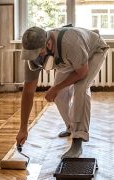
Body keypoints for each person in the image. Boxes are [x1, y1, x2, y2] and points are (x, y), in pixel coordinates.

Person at [16, 25, 109, 158]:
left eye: (39, 54)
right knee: (59, 96)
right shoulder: (32, 55)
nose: (37, 59)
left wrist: (55, 88)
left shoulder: (71, 42)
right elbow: (28, 92)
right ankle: (71, 127)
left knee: (81, 88)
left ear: (48, 43)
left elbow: (82, 73)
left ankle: (78, 140)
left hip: (94, 51)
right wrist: (23, 128)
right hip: (70, 57)